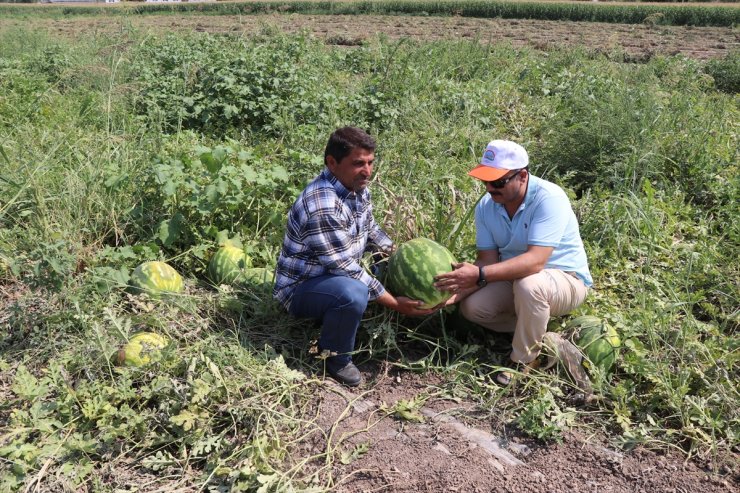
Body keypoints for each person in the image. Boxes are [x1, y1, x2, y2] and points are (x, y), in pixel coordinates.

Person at [274, 127, 435, 387]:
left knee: (374, 273)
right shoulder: (322, 204)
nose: (368, 171)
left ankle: (347, 318)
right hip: (301, 290)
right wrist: (395, 303)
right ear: (332, 163)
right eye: (358, 163)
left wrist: (400, 255)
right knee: (353, 292)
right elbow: (345, 268)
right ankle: (334, 357)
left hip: (334, 277)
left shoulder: (357, 188)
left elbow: (371, 232)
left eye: (370, 162)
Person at [434, 140, 592, 386]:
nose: (489, 188)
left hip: (564, 279)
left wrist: (479, 274)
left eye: (497, 182)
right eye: (485, 181)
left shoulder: (549, 198)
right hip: (517, 279)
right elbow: (487, 261)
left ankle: (523, 360)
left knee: (530, 286)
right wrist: (455, 293)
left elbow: (535, 261)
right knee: (473, 308)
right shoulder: (487, 207)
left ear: (522, 176)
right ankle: (538, 330)